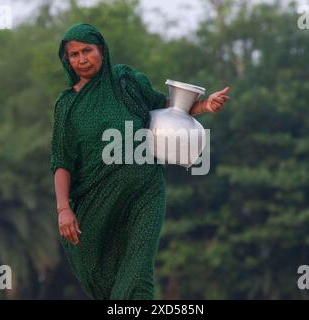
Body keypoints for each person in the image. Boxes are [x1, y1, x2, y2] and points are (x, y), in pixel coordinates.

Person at [50, 23, 230, 300]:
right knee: (98, 275)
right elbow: (62, 160)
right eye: (74, 55)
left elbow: (167, 110)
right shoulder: (67, 105)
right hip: (95, 201)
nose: (81, 59)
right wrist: (64, 209)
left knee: (137, 274)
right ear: (67, 60)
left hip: (144, 191)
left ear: (102, 51)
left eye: (87, 51)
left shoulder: (125, 81)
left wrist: (205, 105)